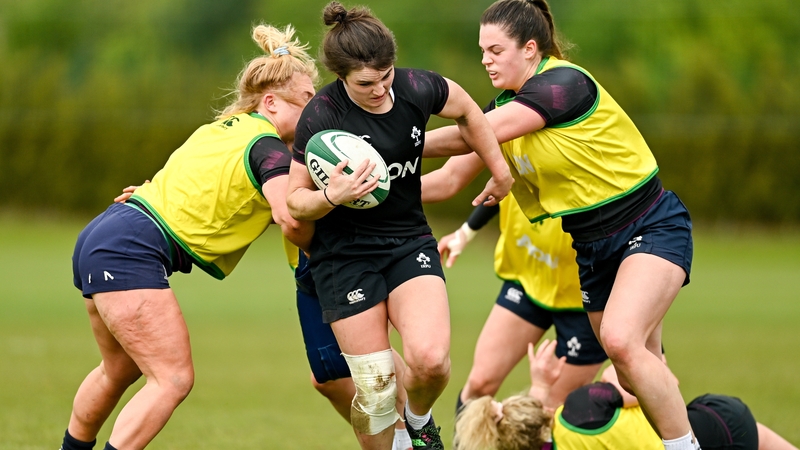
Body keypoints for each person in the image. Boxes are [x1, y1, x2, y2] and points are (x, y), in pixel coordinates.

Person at [424, 0, 698, 447]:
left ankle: (689, 444)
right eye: (482, 51)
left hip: (648, 223)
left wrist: (394, 141)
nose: (486, 60)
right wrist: (372, 187)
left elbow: (467, 135)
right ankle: (684, 435)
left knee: (621, 341)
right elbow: (450, 178)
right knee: (639, 369)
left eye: (496, 50)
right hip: (590, 249)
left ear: (530, 49)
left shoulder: (562, 85)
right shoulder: (503, 108)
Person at [61, 24, 318, 450]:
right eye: (307, 101)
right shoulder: (268, 148)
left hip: (107, 231)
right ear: (271, 102)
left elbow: (201, 188)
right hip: (130, 248)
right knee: (173, 379)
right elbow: (290, 216)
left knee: (118, 369)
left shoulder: (223, 128)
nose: (315, 112)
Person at [285, 2, 514, 449]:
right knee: (374, 389)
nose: (379, 89)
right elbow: (295, 200)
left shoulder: (416, 86)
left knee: (430, 361)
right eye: (365, 84)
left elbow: (470, 112)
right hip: (344, 255)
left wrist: (500, 170)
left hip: (408, 242)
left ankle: (419, 419)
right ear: (341, 77)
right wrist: (332, 195)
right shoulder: (321, 115)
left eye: (386, 76)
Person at [421, 159, 607, 412]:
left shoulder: (582, 146)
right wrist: (466, 231)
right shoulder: (507, 137)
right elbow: (503, 181)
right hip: (527, 279)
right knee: (479, 385)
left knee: (551, 407)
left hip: (584, 297)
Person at [453, 340, 799, 450]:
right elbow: (659, 383)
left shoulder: (564, 427)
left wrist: (541, 388)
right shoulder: (580, 409)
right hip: (719, 428)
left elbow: (538, 435)